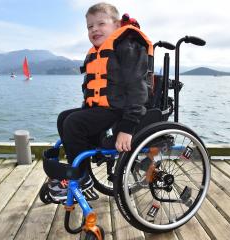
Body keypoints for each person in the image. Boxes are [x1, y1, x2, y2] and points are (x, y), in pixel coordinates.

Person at [47, 2, 154, 201]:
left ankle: (79, 177)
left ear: (116, 25)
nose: (94, 29)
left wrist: (128, 127)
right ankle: (82, 173)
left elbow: (137, 86)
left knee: (73, 123)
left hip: (122, 110)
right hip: (104, 109)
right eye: (90, 26)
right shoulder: (96, 51)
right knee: (65, 117)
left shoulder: (127, 45)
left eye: (101, 24)